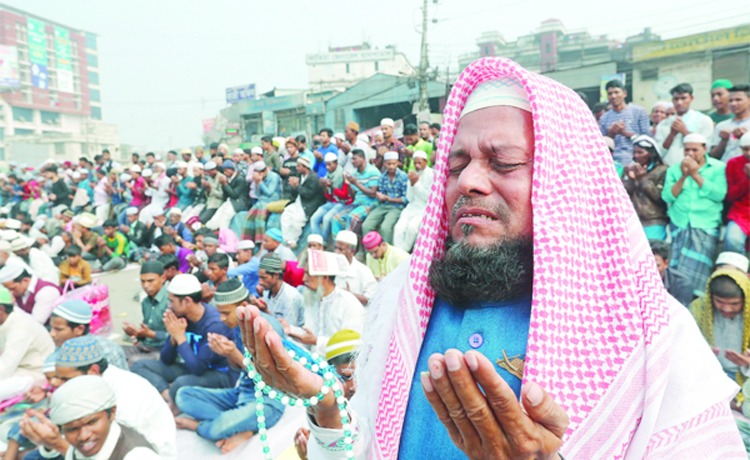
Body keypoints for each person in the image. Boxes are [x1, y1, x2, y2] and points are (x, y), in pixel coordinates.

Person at [237, 57, 745, 459]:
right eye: (457, 164)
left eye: (502, 162)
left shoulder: (650, 335)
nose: (469, 182)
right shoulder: (400, 302)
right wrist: (325, 407)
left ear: (562, 183)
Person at [174, 279, 286, 454]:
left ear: (242, 306)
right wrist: (227, 353)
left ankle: (201, 426)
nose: (221, 319)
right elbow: (239, 369)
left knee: (220, 427)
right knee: (184, 396)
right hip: (242, 393)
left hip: (267, 400)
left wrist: (234, 354)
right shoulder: (238, 323)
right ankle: (242, 424)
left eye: (226, 313)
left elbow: (270, 379)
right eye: (220, 313)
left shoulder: (269, 330)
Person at [44, 337, 176, 459]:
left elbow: (114, 447)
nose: (59, 385)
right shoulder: (92, 386)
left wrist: (59, 445)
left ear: (93, 370)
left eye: (66, 380)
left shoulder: (126, 393)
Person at [130, 274, 236, 413]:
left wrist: (180, 338)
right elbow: (165, 360)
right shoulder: (181, 316)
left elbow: (198, 369)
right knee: (139, 366)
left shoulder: (214, 324)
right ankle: (169, 396)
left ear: (186, 301)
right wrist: (173, 337)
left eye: (172, 301)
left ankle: (176, 397)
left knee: (181, 383)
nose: (169, 306)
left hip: (218, 373)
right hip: (190, 366)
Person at [662, 133, 727, 301]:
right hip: (680, 223)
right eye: (687, 150)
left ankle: (697, 304)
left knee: (700, 273)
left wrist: (695, 175)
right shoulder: (674, 169)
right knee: (677, 271)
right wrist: (684, 176)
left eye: (695, 149)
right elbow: (667, 196)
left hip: (705, 224)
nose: (690, 153)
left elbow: (719, 194)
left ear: (704, 149)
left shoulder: (718, 168)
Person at [47, 376, 160, 459]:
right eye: (72, 429)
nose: (83, 436)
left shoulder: (137, 456)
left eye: (91, 422)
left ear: (112, 413)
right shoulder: (78, 450)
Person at [294, 329, 361, 460]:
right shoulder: (321, 415)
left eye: (358, 375)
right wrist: (307, 455)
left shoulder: (384, 408)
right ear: (331, 376)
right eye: (345, 377)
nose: (353, 386)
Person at [286, 250, 364, 355]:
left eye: (309, 274)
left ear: (325, 277)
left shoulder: (349, 304)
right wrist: (289, 329)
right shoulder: (313, 299)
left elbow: (352, 345)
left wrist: (317, 342)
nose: (304, 279)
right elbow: (310, 334)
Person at [690, 269, 750, 388]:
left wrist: (747, 363)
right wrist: (700, 354)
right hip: (703, 374)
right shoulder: (698, 309)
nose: (727, 309)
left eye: (734, 303)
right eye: (720, 302)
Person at [0, 286, 54, 401]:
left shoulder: (20, 327)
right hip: (16, 368)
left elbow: (5, 368)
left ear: (1, 310)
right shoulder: (5, 320)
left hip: (34, 373)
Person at [48, 299, 128, 370]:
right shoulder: (60, 347)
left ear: (80, 329)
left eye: (58, 329)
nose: (52, 334)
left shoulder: (106, 352)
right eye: (51, 328)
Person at [654, 83, 715, 167]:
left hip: (696, 168)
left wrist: (685, 132)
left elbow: (706, 148)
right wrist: (672, 134)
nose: (679, 102)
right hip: (669, 169)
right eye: (676, 99)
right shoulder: (663, 124)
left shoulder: (704, 120)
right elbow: (659, 151)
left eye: (683, 98)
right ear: (672, 100)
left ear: (691, 98)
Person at [621, 134, 668, 240]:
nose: (636, 156)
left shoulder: (662, 170)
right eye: (634, 152)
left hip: (653, 221)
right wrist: (632, 180)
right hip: (632, 221)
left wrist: (642, 179)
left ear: (651, 153)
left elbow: (659, 197)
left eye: (640, 152)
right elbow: (623, 194)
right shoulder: (629, 169)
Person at [123, 261, 169, 365]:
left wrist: (152, 334)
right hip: (146, 346)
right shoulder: (145, 302)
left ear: (163, 278)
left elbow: (177, 336)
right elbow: (146, 331)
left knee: (134, 362)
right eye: (142, 281)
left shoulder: (170, 302)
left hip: (163, 351)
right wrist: (137, 333)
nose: (146, 285)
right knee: (113, 351)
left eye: (150, 281)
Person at [597, 79, 650, 167]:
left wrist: (623, 132)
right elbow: (601, 145)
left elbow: (647, 140)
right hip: (612, 163)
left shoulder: (639, 112)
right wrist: (611, 133)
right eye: (610, 93)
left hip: (635, 161)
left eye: (616, 92)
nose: (613, 96)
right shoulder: (604, 118)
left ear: (624, 94)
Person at [361, 152, 408, 244]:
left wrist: (388, 199)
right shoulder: (382, 177)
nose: (391, 166)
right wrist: (379, 196)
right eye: (389, 164)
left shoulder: (403, 177)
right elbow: (381, 194)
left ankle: (387, 253)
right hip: (383, 206)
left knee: (385, 228)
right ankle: (371, 250)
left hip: (397, 207)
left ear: (397, 163)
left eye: (393, 164)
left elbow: (405, 199)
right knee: (366, 225)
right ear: (385, 164)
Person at [280, 156, 326, 249]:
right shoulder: (299, 176)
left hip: (308, 205)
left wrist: (297, 186)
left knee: (297, 220)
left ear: (305, 167)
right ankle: (287, 239)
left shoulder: (314, 178)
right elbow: (295, 194)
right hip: (298, 202)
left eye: (298, 166)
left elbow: (309, 195)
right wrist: (293, 186)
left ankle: (294, 241)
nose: (296, 168)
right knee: (286, 215)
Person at [394, 150, 435, 251]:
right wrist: (411, 184)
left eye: (419, 163)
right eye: (415, 163)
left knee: (412, 228)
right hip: (411, 207)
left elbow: (429, 198)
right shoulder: (412, 174)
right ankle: (398, 252)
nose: (417, 165)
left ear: (426, 162)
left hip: (424, 208)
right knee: (399, 228)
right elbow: (409, 198)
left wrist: (416, 184)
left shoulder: (432, 174)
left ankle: (404, 252)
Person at [336, 149, 381, 237]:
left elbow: (373, 193)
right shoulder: (355, 174)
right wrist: (348, 184)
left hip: (370, 203)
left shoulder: (373, 171)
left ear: (363, 159)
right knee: (336, 218)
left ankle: (348, 246)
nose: (352, 162)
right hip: (357, 203)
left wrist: (356, 183)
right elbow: (353, 196)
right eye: (351, 160)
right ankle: (339, 246)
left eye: (354, 159)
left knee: (352, 217)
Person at [251, 254, 304, 329]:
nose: (260, 282)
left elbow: (287, 331)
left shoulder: (290, 297)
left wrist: (265, 311)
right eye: (259, 277)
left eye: (264, 278)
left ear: (276, 275)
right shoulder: (267, 291)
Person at [310, 153, 352, 243]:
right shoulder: (328, 175)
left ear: (336, 163)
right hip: (332, 202)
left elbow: (344, 195)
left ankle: (323, 242)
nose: (328, 167)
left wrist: (332, 187)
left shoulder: (343, 175)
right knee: (314, 218)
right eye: (326, 165)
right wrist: (324, 187)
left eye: (330, 164)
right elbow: (329, 197)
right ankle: (317, 241)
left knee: (326, 218)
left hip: (342, 203)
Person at [333, 231, 376, 305]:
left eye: (341, 249)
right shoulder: (331, 267)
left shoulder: (363, 271)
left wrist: (349, 295)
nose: (337, 252)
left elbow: (370, 299)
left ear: (352, 251)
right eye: (335, 248)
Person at [709, 84, 750, 163]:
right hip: (726, 170)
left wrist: (746, 138)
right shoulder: (721, 126)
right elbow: (713, 156)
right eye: (730, 101)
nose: (733, 104)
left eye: (738, 100)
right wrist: (724, 140)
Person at [243, 161, 281, 244]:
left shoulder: (274, 177)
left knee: (259, 219)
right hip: (261, 201)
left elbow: (269, 192)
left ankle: (261, 241)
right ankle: (247, 240)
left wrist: (260, 182)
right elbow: (257, 194)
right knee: (248, 217)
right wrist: (257, 183)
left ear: (264, 171)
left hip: (272, 201)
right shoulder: (258, 178)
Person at [724, 132, 750, 253]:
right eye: (745, 149)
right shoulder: (733, 163)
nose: (749, 153)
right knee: (733, 240)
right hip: (740, 212)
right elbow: (731, 196)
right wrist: (747, 179)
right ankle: (739, 270)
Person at [207, 160, 248, 230]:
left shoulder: (240, 179)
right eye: (224, 171)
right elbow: (225, 195)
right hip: (229, 201)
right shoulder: (229, 178)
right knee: (217, 216)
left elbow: (234, 195)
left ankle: (224, 234)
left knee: (225, 218)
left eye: (226, 170)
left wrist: (225, 184)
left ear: (232, 169)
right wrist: (223, 184)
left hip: (239, 202)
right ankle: (211, 231)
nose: (225, 173)